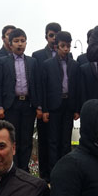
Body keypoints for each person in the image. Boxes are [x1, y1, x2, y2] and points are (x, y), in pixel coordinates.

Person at [0, 29, 41, 172]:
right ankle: (12, 170)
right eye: (16, 41)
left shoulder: (32, 62)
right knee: (12, 138)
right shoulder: (2, 61)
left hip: (28, 105)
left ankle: (24, 170)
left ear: (26, 42)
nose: (20, 44)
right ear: (10, 43)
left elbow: (37, 85)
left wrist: (39, 106)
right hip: (11, 105)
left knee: (26, 139)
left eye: (22, 41)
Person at [42, 31, 80, 170]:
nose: (66, 49)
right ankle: (53, 171)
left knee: (66, 141)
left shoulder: (74, 65)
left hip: (68, 105)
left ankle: (66, 170)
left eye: (68, 46)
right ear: (56, 46)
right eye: (63, 46)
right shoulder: (47, 65)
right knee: (53, 141)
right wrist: (44, 109)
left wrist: (77, 109)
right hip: (53, 106)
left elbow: (77, 87)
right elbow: (44, 88)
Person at [32, 22, 62, 181]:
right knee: (44, 141)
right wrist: (40, 106)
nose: (54, 38)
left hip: (61, 106)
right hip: (44, 106)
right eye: (51, 35)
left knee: (61, 142)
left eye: (57, 35)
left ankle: (61, 174)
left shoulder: (67, 55)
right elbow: (37, 83)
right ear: (46, 37)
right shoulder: (38, 56)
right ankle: (44, 176)